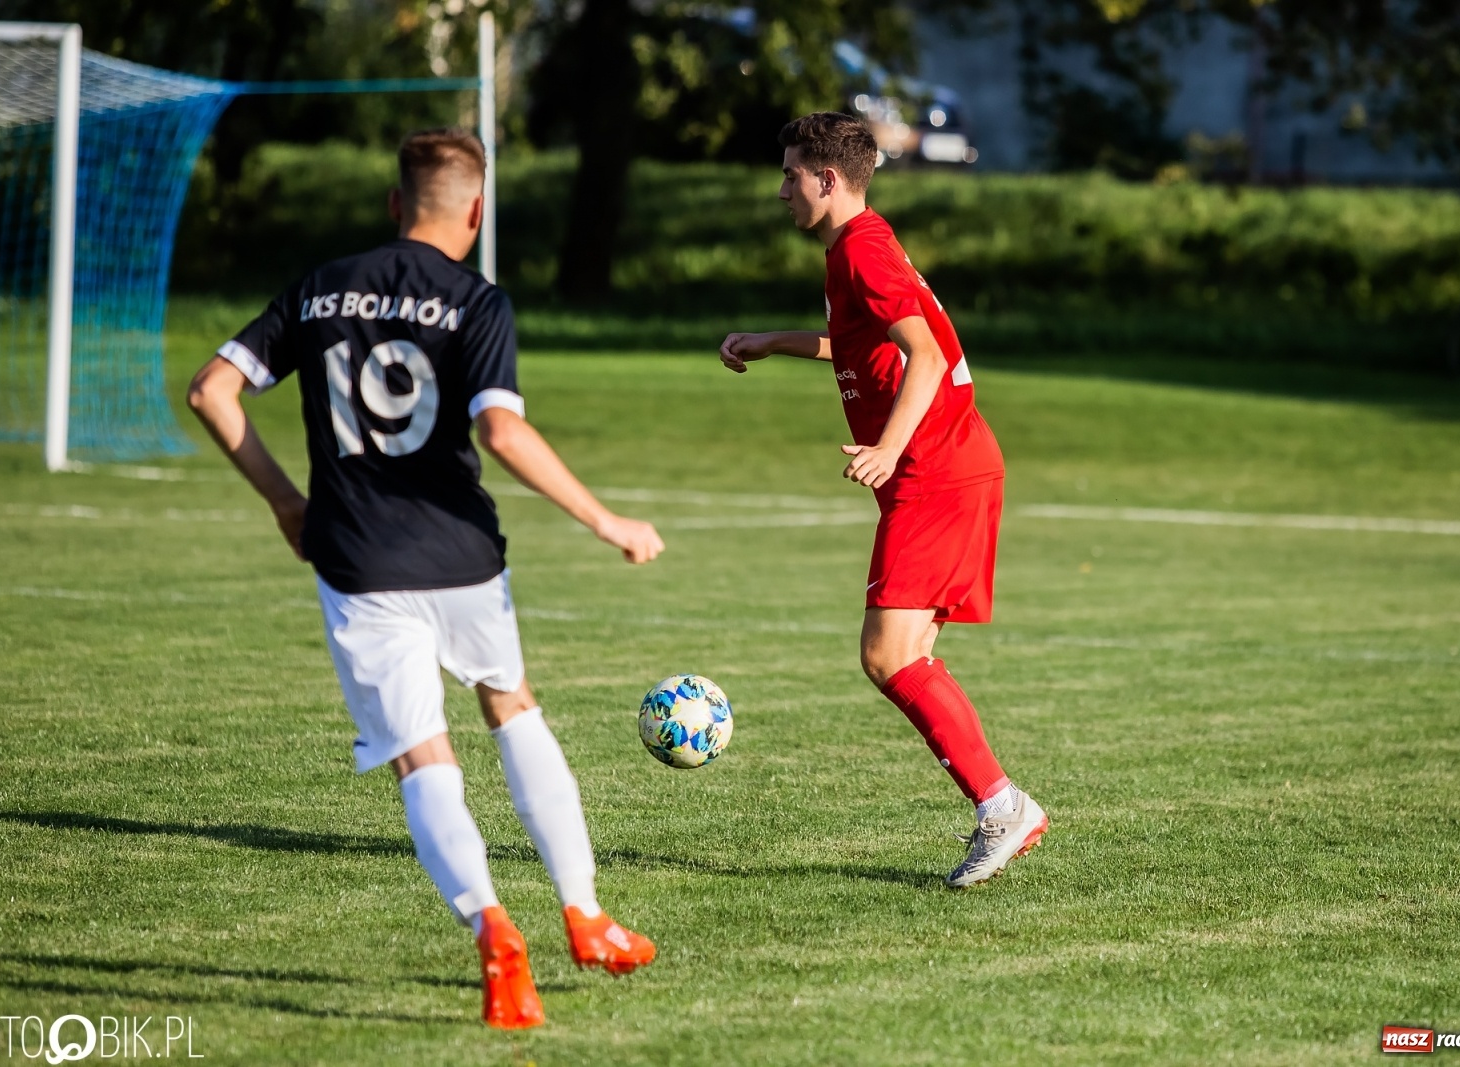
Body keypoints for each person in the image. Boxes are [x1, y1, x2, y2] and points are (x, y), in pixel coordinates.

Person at [187, 127, 663, 1029]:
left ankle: (492, 931)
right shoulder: (477, 301)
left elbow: (213, 388)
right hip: (460, 554)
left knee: (422, 753)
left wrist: (289, 505)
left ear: (393, 205)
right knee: (509, 704)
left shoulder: (320, 285)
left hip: (357, 556)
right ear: (476, 213)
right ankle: (586, 914)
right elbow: (503, 433)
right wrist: (609, 521)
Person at [717, 112, 1047, 888]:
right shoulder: (859, 245)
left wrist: (888, 449)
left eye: (792, 174)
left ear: (828, 180)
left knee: (888, 654)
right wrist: (774, 341)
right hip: (946, 465)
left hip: (936, 468)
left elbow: (924, 355)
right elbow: (867, 343)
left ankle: (1004, 806)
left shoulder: (862, 250)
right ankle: (1002, 804)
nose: (781, 191)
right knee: (905, 655)